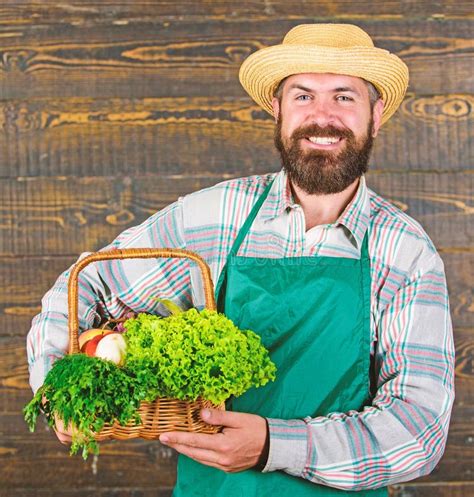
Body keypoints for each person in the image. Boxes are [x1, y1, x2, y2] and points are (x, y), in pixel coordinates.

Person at [27, 23, 455, 496]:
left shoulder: (405, 252)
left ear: (376, 116)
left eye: (344, 97)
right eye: (303, 95)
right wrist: (56, 386)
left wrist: (275, 445)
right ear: (278, 109)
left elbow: (420, 429)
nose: (322, 116)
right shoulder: (212, 218)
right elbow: (87, 284)